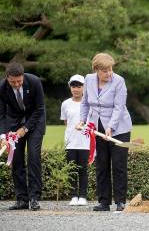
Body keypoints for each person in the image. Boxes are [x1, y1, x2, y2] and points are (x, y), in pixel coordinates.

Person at [78, 53, 132, 212]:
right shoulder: (88, 79)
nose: (109, 73)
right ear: (96, 70)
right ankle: (104, 201)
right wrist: (82, 120)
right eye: (105, 71)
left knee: (118, 165)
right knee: (101, 164)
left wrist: (111, 127)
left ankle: (120, 201)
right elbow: (85, 103)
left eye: (110, 70)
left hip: (119, 128)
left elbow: (119, 107)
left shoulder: (119, 81)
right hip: (97, 128)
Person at [0, 62, 46, 211]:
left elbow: (40, 109)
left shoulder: (34, 82)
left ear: (23, 76)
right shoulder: (2, 87)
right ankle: (22, 199)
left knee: (33, 156)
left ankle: (34, 198)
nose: (17, 84)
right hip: (14, 123)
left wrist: (25, 128)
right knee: (16, 158)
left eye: (19, 81)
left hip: (35, 121)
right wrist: (3, 136)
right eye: (13, 82)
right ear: (7, 78)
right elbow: (1, 114)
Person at [60, 75, 90, 206]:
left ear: (84, 87)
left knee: (83, 170)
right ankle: (73, 196)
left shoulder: (89, 103)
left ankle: (83, 196)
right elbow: (66, 122)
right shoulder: (65, 104)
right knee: (71, 169)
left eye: (79, 86)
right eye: (73, 86)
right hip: (71, 142)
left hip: (85, 142)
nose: (76, 89)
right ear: (70, 87)